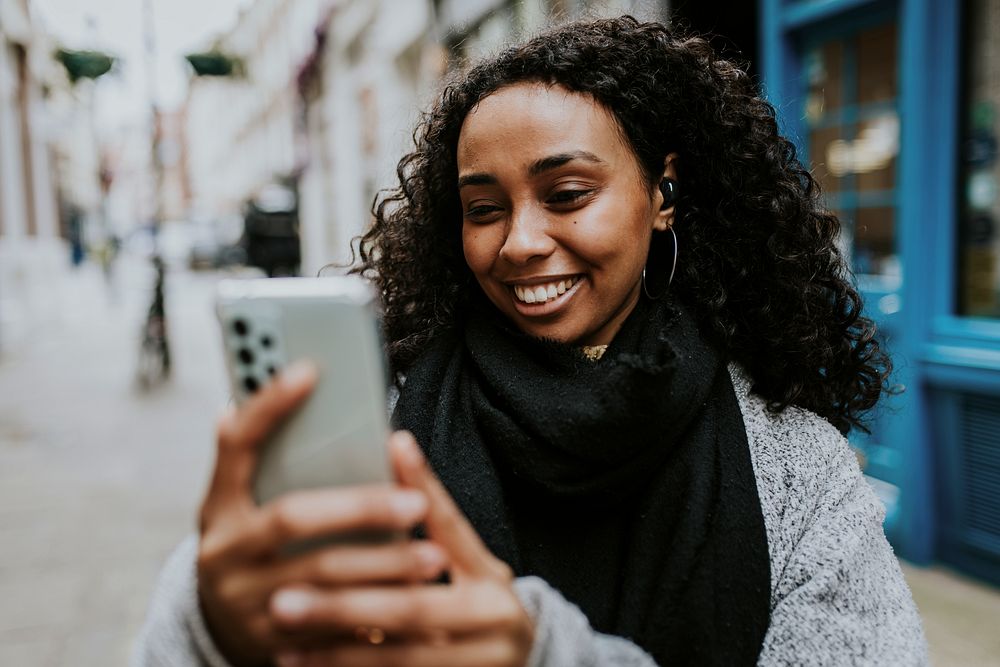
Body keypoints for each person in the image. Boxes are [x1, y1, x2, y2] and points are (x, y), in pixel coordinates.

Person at [134, 16, 928, 667]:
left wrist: (542, 653)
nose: (518, 242)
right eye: (484, 208)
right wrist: (210, 627)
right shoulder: (372, 416)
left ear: (663, 195)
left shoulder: (792, 465)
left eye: (567, 194)